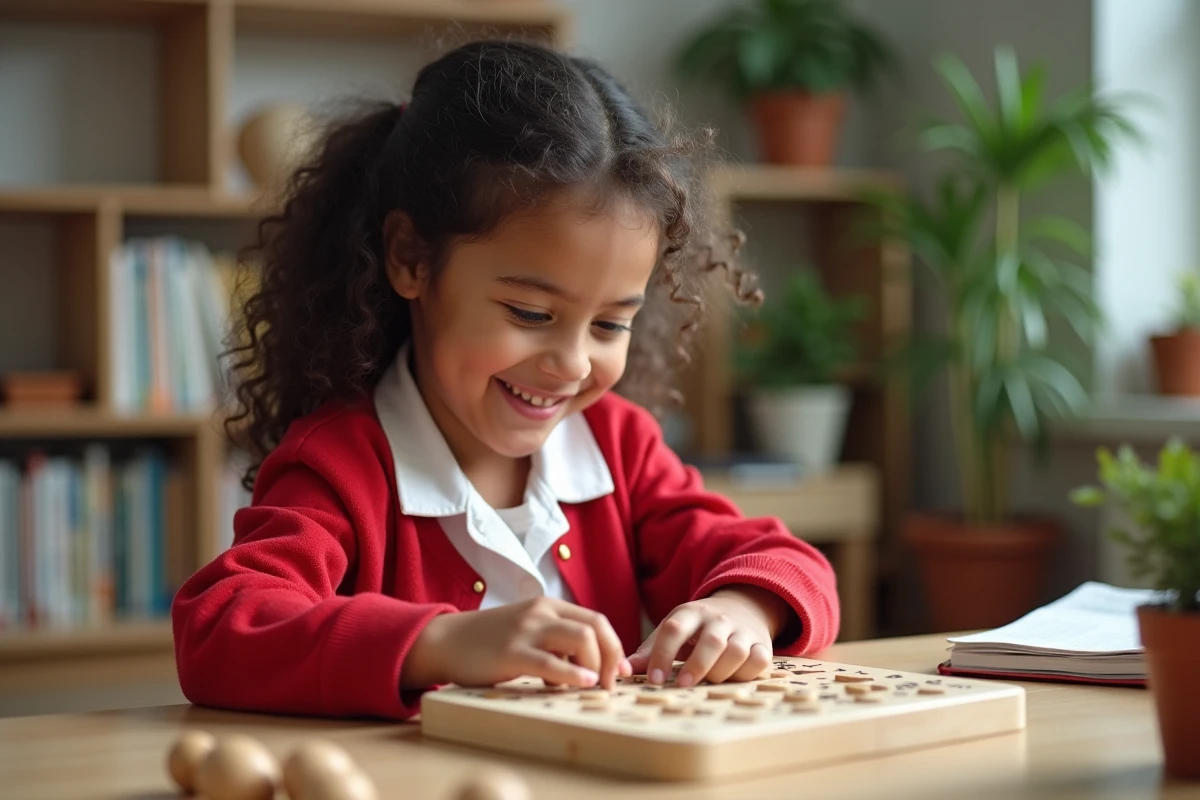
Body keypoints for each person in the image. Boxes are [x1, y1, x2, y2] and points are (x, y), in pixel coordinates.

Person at [172, 39, 839, 720]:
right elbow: (219, 627)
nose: (573, 363)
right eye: (530, 312)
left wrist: (740, 608)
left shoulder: (618, 446)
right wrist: (438, 643)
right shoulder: (341, 464)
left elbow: (786, 561)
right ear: (410, 259)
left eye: (609, 325)